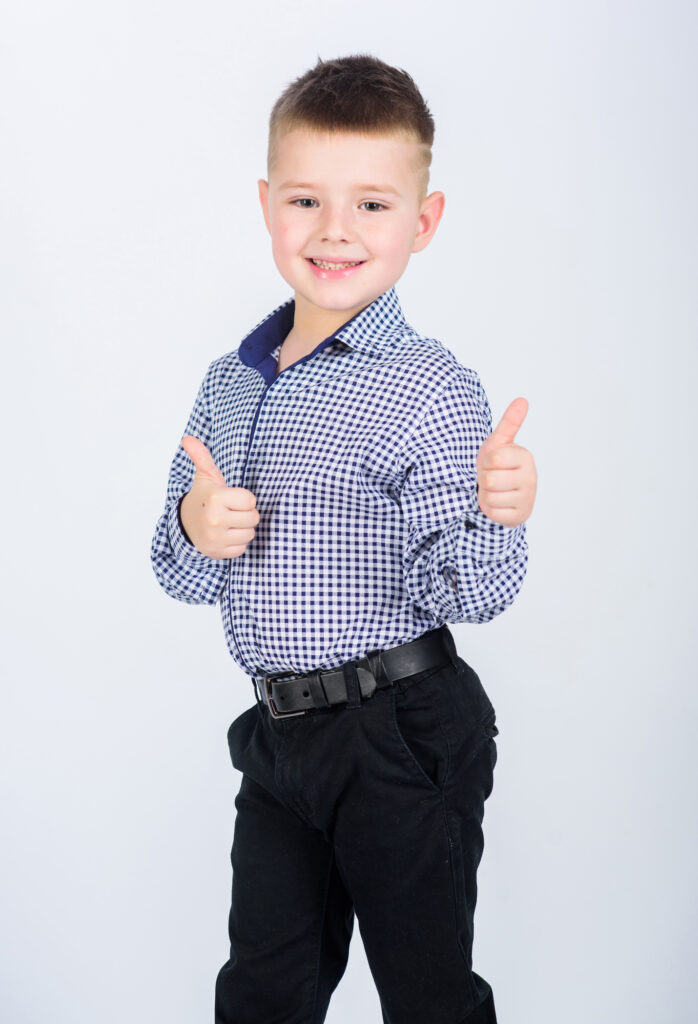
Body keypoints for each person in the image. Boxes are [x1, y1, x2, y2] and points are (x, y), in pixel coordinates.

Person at [150, 53, 537, 1024]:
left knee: (425, 991)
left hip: (398, 729)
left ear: (422, 220)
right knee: (263, 989)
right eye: (305, 199)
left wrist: (494, 512)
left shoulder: (427, 386)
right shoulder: (229, 379)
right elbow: (179, 566)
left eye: (371, 204)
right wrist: (199, 525)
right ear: (265, 203)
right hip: (279, 735)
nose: (333, 230)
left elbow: (464, 591)